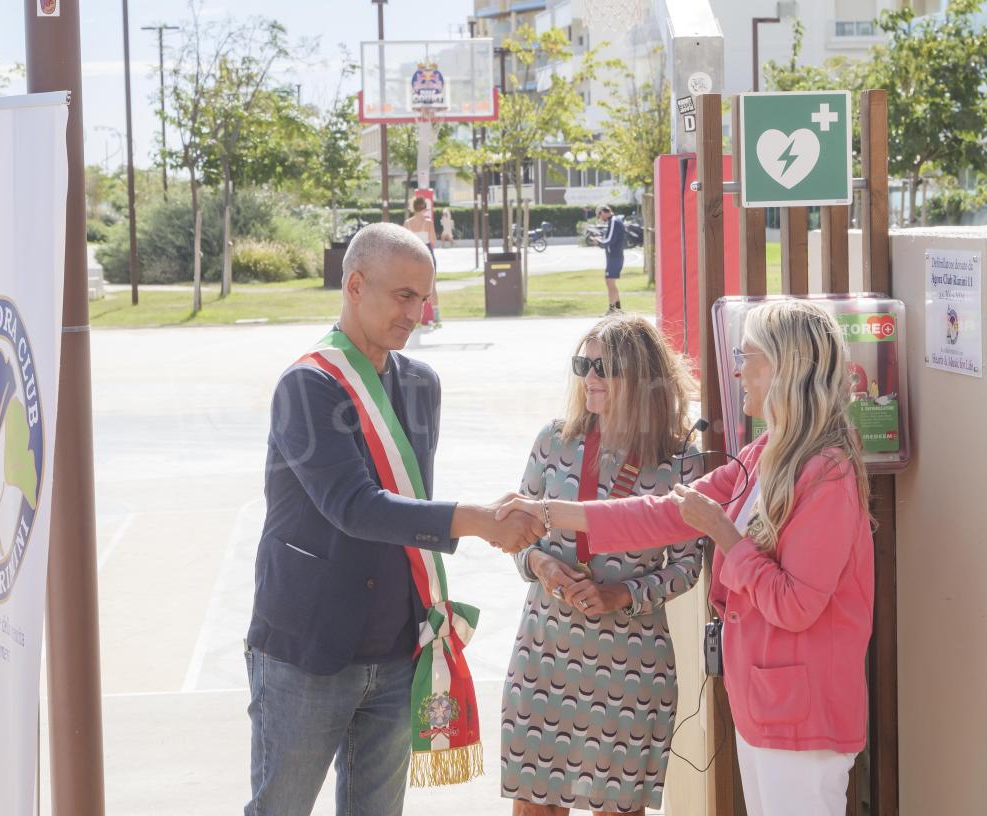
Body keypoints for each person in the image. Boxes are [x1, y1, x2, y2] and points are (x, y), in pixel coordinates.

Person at [497, 300, 875, 816]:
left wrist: (721, 532)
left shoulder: (827, 470)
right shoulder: (766, 453)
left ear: (789, 367)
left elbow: (795, 605)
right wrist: (545, 511)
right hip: (768, 704)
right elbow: (661, 514)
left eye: (750, 358)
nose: (738, 370)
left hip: (802, 713)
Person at [244, 223, 543, 816]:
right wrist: (478, 520)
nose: (419, 313)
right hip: (308, 647)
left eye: (425, 297)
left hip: (396, 646)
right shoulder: (308, 386)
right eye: (404, 296)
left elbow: (408, 505)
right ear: (355, 285)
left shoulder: (422, 384)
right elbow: (353, 507)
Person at [501, 313, 704, 815]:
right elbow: (518, 538)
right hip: (545, 654)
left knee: (620, 808)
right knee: (534, 806)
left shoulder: (680, 460)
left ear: (642, 375)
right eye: (583, 364)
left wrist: (622, 595)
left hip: (630, 665)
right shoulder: (554, 441)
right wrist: (543, 568)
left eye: (603, 366)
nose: (589, 376)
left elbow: (686, 565)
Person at [404, 196, 441, 327]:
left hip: (413, 255)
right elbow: (433, 240)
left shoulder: (407, 223)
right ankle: (436, 316)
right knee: (432, 286)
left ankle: (413, 317)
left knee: (412, 288)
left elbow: (405, 243)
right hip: (427, 254)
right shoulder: (428, 222)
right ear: (424, 207)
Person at [589, 205, 625, 313]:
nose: (600, 219)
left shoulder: (613, 221)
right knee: (611, 283)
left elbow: (609, 240)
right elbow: (611, 238)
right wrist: (601, 239)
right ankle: (618, 309)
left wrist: (598, 242)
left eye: (599, 215)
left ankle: (612, 309)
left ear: (603, 212)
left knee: (609, 282)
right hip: (615, 256)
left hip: (614, 257)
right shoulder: (614, 220)